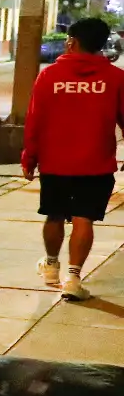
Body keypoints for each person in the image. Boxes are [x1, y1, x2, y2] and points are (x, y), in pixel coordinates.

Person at [23, 15, 124, 302]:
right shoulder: (116, 78)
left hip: (55, 162)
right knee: (84, 219)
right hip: (96, 163)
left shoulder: (49, 76)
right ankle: (74, 278)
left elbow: (35, 121)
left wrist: (29, 158)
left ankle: (51, 266)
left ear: (73, 41)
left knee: (54, 214)